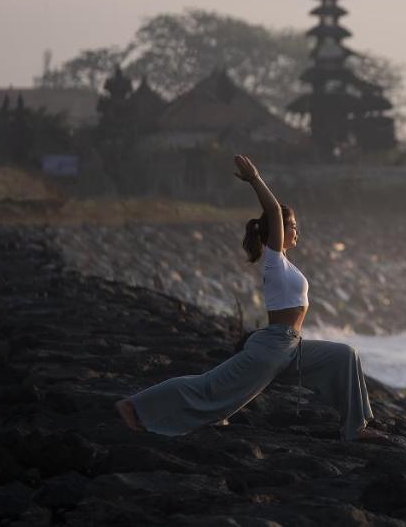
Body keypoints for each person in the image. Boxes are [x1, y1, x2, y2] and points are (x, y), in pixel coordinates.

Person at [114, 155, 378, 441]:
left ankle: (356, 429)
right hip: (271, 348)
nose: (295, 231)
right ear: (275, 233)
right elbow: (274, 210)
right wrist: (255, 179)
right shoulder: (272, 260)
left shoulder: (286, 264)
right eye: (292, 226)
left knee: (345, 355)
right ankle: (133, 405)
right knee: (208, 389)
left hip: (292, 346)